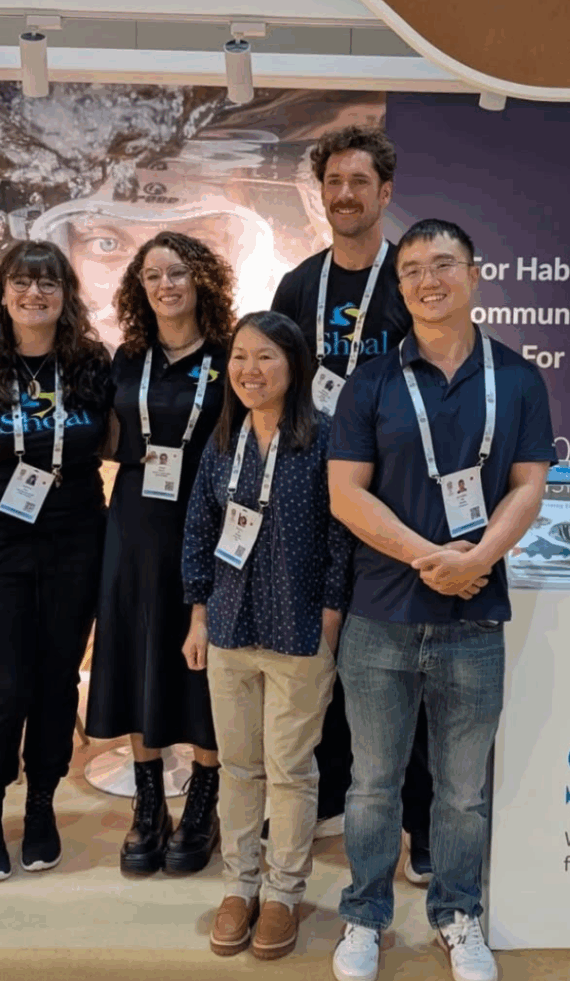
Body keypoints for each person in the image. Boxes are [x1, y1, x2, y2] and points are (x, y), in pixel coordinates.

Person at [327, 219, 556, 981]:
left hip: (473, 618)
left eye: (444, 264)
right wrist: (430, 559)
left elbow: (528, 485)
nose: (429, 280)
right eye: (413, 270)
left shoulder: (518, 379)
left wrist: (479, 560)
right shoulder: (372, 382)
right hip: (380, 616)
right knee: (371, 785)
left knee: (461, 793)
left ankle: (458, 916)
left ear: (475, 274)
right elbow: (345, 494)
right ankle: (364, 917)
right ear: (400, 287)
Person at [270, 125, 431, 876]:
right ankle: (329, 789)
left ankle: (421, 821)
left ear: (384, 193)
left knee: (406, 662)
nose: (345, 194)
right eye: (333, 182)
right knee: (320, 652)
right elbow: (274, 388)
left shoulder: (410, 280)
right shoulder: (298, 286)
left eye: (359, 182)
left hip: (394, 499)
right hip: (313, 495)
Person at [0, 240, 113, 882]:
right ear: (2, 292)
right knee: (5, 684)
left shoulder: (91, 364)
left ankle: (41, 802)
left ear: (66, 295)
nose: (35, 293)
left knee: (58, 680)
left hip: (75, 543)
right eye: (22, 282)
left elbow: (114, 442)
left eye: (49, 283)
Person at [181, 310, 352, 961]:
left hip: (299, 632)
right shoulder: (224, 439)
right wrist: (198, 616)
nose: (250, 370)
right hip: (230, 625)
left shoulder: (323, 439)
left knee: (291, 770)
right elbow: (199, 528)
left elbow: (342, 539)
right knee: (238, 766)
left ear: (295, 365)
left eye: (266, 357)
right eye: (240, 357)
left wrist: (329, 622)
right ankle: (240, 885)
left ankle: (283, 892)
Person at [84, 231, 236, 875]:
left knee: (204, 666)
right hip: (136, 523)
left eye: (177, 272)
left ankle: (203, 805)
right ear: (138, 288)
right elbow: (105, 437)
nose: (166, 285)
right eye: (152, 276)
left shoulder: (230, 355)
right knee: (137, 653)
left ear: (201, 280)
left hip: (209, 523)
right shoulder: (127, 358)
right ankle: (148, 806)